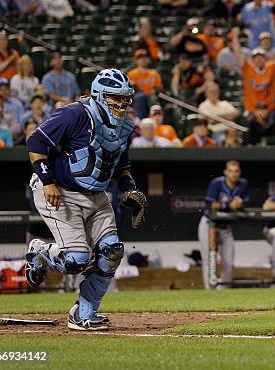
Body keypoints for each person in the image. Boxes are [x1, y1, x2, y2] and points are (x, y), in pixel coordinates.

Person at [25, 68, 148, 330]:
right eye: (116, 98)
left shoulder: (125, 126)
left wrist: (128, 188)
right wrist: (47, 182)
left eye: (126, 99)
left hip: (96, 194)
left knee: (112, 252)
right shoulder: (75, 114)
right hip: (60, 190)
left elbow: (121, 165)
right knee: (76, 261)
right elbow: (35, 142)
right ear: (99, 95)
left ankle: (83, 314)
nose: (122, 104)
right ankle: (40, 252)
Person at [198, 161, 249, 289]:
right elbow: (211, 204)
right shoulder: (217, 183)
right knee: (209, 260)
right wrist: (228, 205)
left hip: (226, 227)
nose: (233, 174)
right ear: (225, 172)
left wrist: (240, 203)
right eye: (230, 171)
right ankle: (210, 291)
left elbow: (244, 201)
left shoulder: (243, 184)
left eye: (236, 171)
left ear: (239, 173)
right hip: (209, 225)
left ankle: (225, 292)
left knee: (229, 262)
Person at [233, 27, 275, 114]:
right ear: (252, 59)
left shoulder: (270, 67)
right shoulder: (248, 67)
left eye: (261, 57)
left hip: (269, 108)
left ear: (265, 59)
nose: (258, 59)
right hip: (252, 109)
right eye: (256, 57)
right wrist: (235, 37)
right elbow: (238, 53)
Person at [128, 49, 164, 119]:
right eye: (140, 58)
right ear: (136, 61)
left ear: (149, 59)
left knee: (153, 98)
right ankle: (139, 121)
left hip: (152, 98)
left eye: (145, 57)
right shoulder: (132, 73)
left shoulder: (154, 73)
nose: (143, 59)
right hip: (138, 99)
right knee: (141, 97)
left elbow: (159, 88)